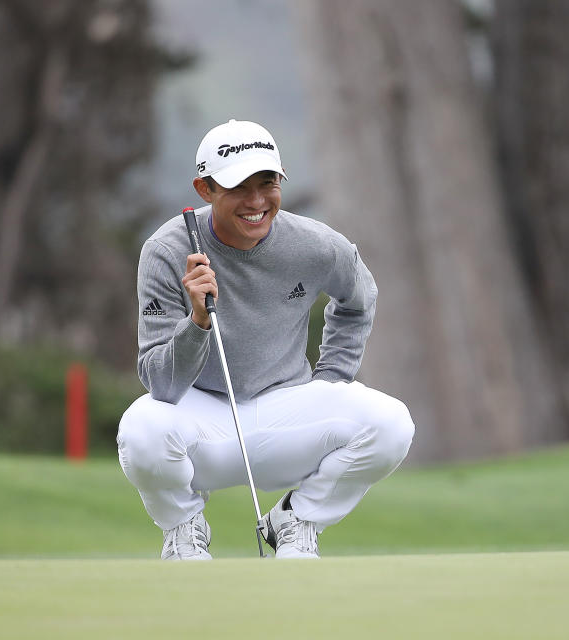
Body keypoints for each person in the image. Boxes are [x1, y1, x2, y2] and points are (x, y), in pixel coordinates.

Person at [117, 119, 415, 560]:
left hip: (287, 412)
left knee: (391, 425)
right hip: (203, 421)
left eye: (267, 182)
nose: (256, 201)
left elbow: (358, 300)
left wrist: (330, 379)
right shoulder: (167, 250)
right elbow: (160, 384)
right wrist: (197, 321)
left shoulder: (317, 245)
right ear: (205, 189)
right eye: (239, 187)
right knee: (141, 431)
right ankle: (184, 530)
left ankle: (297, 520)